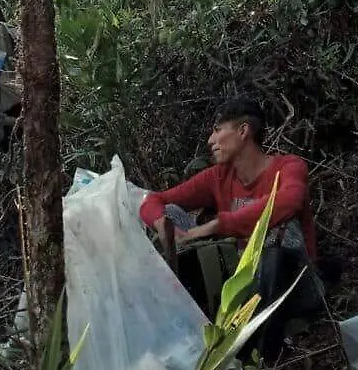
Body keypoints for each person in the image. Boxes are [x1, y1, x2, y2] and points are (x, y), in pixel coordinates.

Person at [138, 97, 324, 365]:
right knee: (172, 213)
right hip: (244, 290)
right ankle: (192, 325)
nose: (210, 140)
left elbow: (289, 200)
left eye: (217, 130)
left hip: (295, 288)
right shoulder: (218, 176)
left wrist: (216, 225)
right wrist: (161, 224)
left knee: (279, 234)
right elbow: (152, 201)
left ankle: (263, 356)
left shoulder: (288, 166)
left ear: (243, 131)